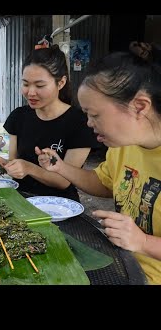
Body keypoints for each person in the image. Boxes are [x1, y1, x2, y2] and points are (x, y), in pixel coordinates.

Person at [38, 52, 161, 284]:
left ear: (140, 106)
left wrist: (143, 242)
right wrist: (61, 167)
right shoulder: (124, 146)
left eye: (94, 115)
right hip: (119, 263)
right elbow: (105, 184)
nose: (89, 123)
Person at [0, 44, 99, 201]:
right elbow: (15, 162)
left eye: (39, 85)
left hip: (60, 206)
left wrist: (28, 167)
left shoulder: (79, 122)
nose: (30, 92)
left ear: (60, 83)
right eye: (26, 84)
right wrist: (4, 164)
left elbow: (63, 181)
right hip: (22, 200)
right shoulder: (19, 116)